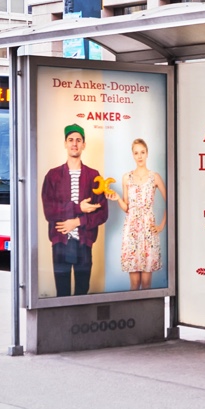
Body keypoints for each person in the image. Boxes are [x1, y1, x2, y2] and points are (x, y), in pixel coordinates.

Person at [41, 124, 108, 297]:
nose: (74, 144)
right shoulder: (53, 175)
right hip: (60, 243)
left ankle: (81, 324)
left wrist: (78, 222)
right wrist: (79, 208)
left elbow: (103, 212)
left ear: (84, 144)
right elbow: (49, 211)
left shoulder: (94, 176)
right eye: (71, 140)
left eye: (78, 140)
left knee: (82, 293)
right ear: (65, 143)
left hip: (84, 244)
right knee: (61, 293)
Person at [108, 138, 167, 290]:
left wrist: (161, 226)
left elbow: (170, 201)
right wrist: (118, 199)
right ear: (132, 155)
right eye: (136, 153)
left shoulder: (155, 177)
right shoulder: (127, 177)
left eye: (142, 152)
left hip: (148, 232)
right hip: (131, 232)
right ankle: (133, 314)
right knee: (134, 284)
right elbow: (127, 207)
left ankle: (146, 314)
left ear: (147, 154)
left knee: (146, 284)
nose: (139, 156)